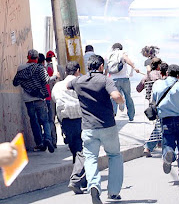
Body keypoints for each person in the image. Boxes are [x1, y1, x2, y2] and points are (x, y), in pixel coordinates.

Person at [67, 55, 125, 203]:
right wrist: (120, 102)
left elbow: (68, 85)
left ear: (88, 67)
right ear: (101, 67)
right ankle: (113, 192)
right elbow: (116, 95)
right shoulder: (105, 80)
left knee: (91, 158)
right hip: (107, 127)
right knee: (114, 156)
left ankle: (94, 185)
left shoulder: (78, 81)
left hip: (88, 128)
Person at [13, 49, 59, 153]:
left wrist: (26, 84)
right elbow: (47, 80)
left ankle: (39, 143)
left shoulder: (21, 68)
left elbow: (15, 82)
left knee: (34, 122)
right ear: (37, 58)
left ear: (28, 57)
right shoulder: (40, 68)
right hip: (40, 99)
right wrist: (55, 76)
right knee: (45, 121)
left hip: (28, 100)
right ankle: (48, 138)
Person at [51, 61, 87, 194]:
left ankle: (82, 181)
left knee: (75, 150)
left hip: (66, 121)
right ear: (78, 70)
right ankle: (76, 179)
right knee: (82, 150)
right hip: (80, 120)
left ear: (66, 72)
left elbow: (55, 99)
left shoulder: (58, 86)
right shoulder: (81, 82)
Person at [136, 58, 163, 157]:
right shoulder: (162, 75)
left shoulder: (147, 76)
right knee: (161, 125)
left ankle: (159, 142)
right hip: (162, 103)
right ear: (159, 66)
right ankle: (148, 146)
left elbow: (138, 89)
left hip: (152, 104)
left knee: (160, 124)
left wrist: (147, 79)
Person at [108, 43, 139, 121]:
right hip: (124, 79)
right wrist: (134, 67)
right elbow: (127, 59)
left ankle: (113, 115)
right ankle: (131, 116)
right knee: (128, 97)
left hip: (113, 79)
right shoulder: (122, 53)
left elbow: (106, 67)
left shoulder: (109, 55)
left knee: (113, 98)